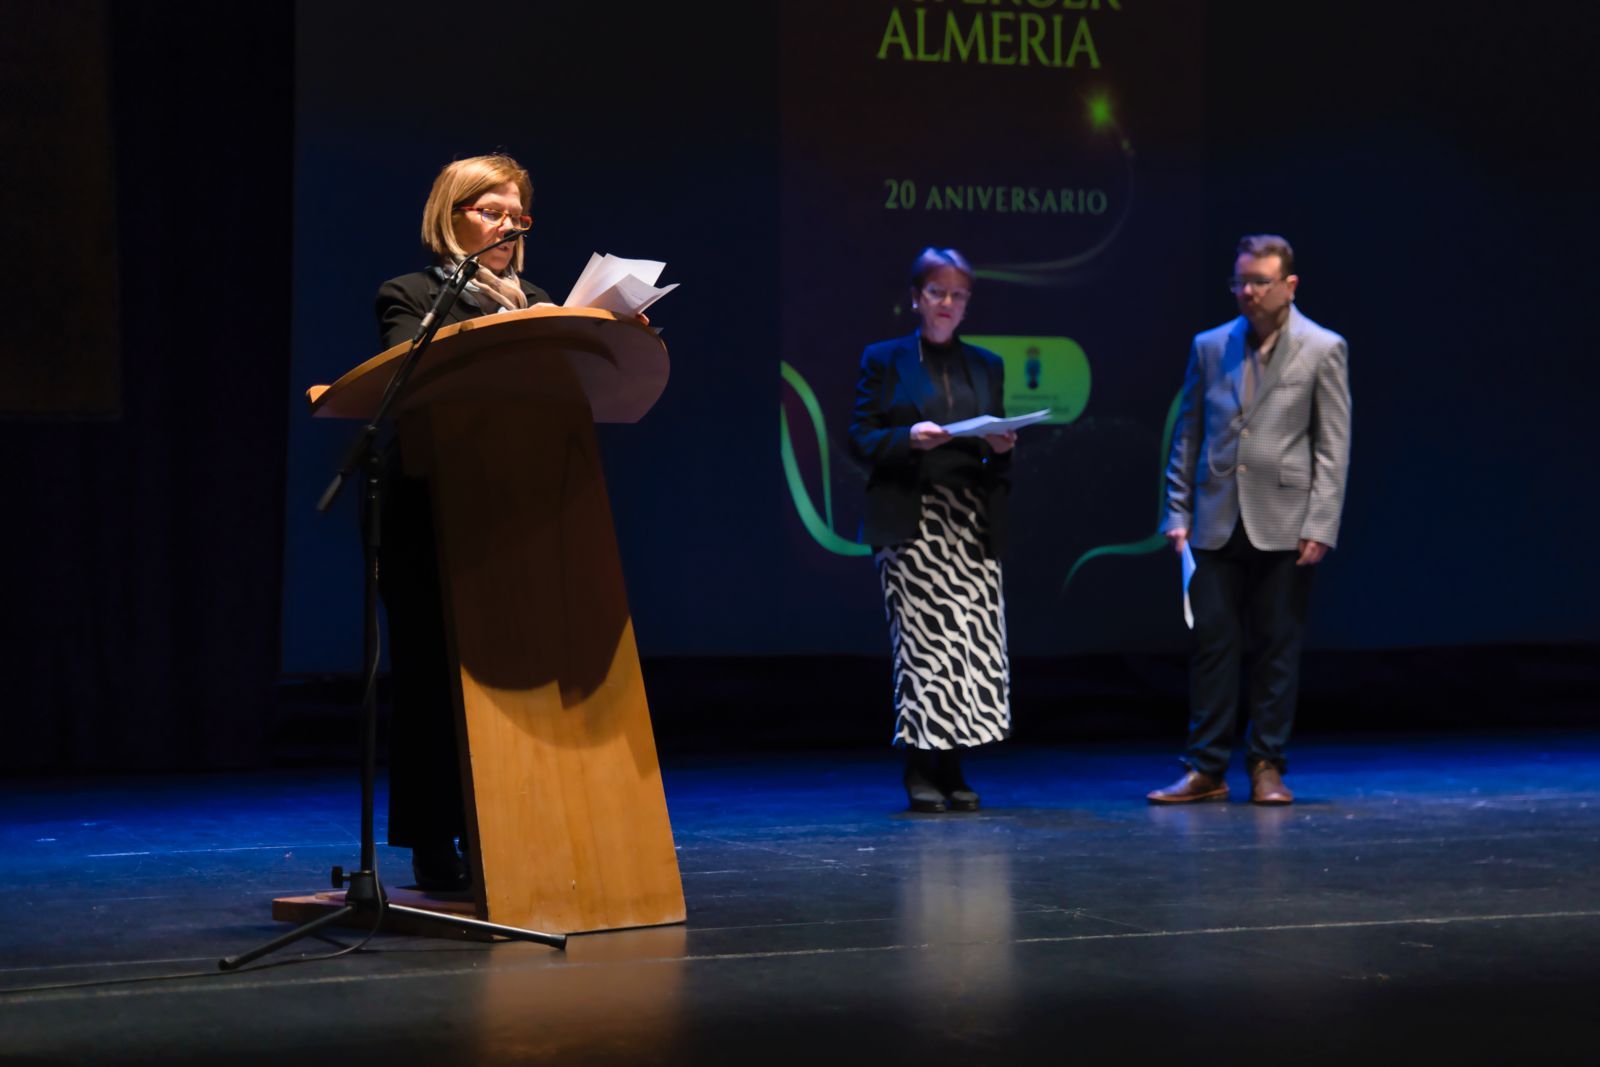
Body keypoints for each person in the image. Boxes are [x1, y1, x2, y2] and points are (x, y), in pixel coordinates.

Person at [374, 153, 551, 889]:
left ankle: (510, 826)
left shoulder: (540, 300)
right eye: (492, 211)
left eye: (517, 215)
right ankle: (432, 839)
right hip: (428, 500)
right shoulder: (411, 294)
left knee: (515, 672)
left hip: (518, 505)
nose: (508, 225)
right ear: (451, 217)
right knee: (430, 675)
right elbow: (403, 368)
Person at [1150, 234, 1351, 806]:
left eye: (1260, 281)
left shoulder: (1322, 347)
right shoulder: (1211, 346)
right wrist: (1177, 510)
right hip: (1215, 517)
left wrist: (1322, 523)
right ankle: (1206, 768)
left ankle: (1266, 764)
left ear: (1289, 286)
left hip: (1286, 520)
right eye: (1240, 281)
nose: (1248, 292)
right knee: (1212, 644)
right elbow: (1187, 433)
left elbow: (1332, 446)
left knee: (1276, 646)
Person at [848, 247, 1018, 813]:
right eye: (937, 293)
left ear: (968, 303)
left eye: (958, 295)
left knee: (969, 648)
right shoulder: (886, 358)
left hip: (969, 522)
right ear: (917, 298)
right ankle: (920, 768)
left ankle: (953, 765)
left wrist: (1001, 447)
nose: (947, 303)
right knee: (924, 650)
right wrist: (908, 439)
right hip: (912, 521)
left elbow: (1001, 456)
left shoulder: (987, 365)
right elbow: (860, 440)